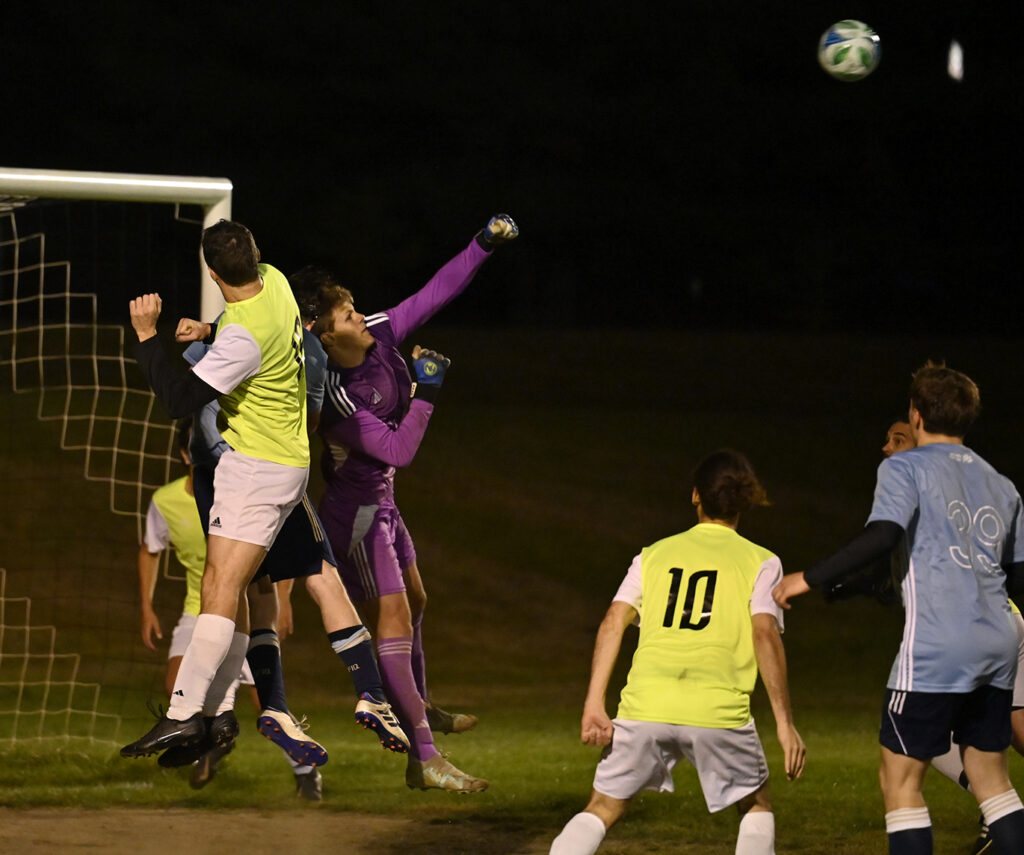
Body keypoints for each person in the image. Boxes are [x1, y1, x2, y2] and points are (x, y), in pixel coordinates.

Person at [773, 362, 1024, 855]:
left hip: (938, 645)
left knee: (900, 779)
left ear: (916, 415)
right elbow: (1015, 576)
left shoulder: (904, 467)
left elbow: (884, 533)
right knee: (990, 776)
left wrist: (808, 577)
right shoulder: (1001, 483)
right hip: (1000, 641)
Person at [310, 213, 519, 792]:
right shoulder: (339, 399)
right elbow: (398, 450)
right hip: (355, 517)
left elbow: (434, 292)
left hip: (384, 504)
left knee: (418, 600)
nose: (361, 315)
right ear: (326, 338)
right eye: (347, 315)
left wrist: (482, 244)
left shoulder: (377, 334)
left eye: (355, 308)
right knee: (396, 617)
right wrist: (427, 390)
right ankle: (425, 754)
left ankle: (417, 708)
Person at [121, 219, 316, 760]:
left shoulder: (242, 341)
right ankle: (216, 713)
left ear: (211, 272)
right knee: (231, 589)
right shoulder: (276, 281)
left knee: (219, 587)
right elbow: (240, 324)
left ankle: (185, 715)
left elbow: (178, 401)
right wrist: (209, 331)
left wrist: (146, 335)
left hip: (257, 470)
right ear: (255, 256)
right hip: (286, 460)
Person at [549, 449, 806, 855]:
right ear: (744, 502)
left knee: (601, 808)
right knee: (755, 805)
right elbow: (763, 632)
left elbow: (613, 621)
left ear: (695, 495)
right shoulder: (762, 561)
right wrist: (784, 723)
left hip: (645, 707)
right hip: (717, 711)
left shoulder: (653, 555)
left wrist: (594, 703)